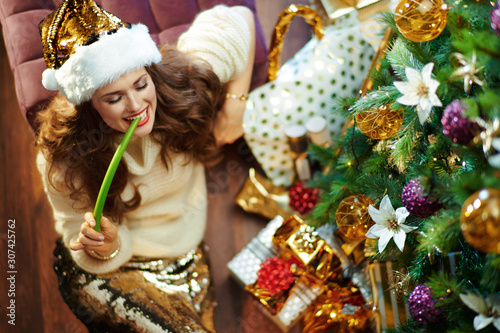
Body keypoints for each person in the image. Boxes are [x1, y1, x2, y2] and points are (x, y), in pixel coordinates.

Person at [35, 0, 256, 331]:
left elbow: (241, 19)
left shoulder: (182, 86)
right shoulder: (65, 157)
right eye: (114, 98)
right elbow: (73, 233)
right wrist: (107, 247)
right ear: (89, 106)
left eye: (140, 85)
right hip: (111, 270)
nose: (137, 106)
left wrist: (236, 107)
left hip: (183, 252)